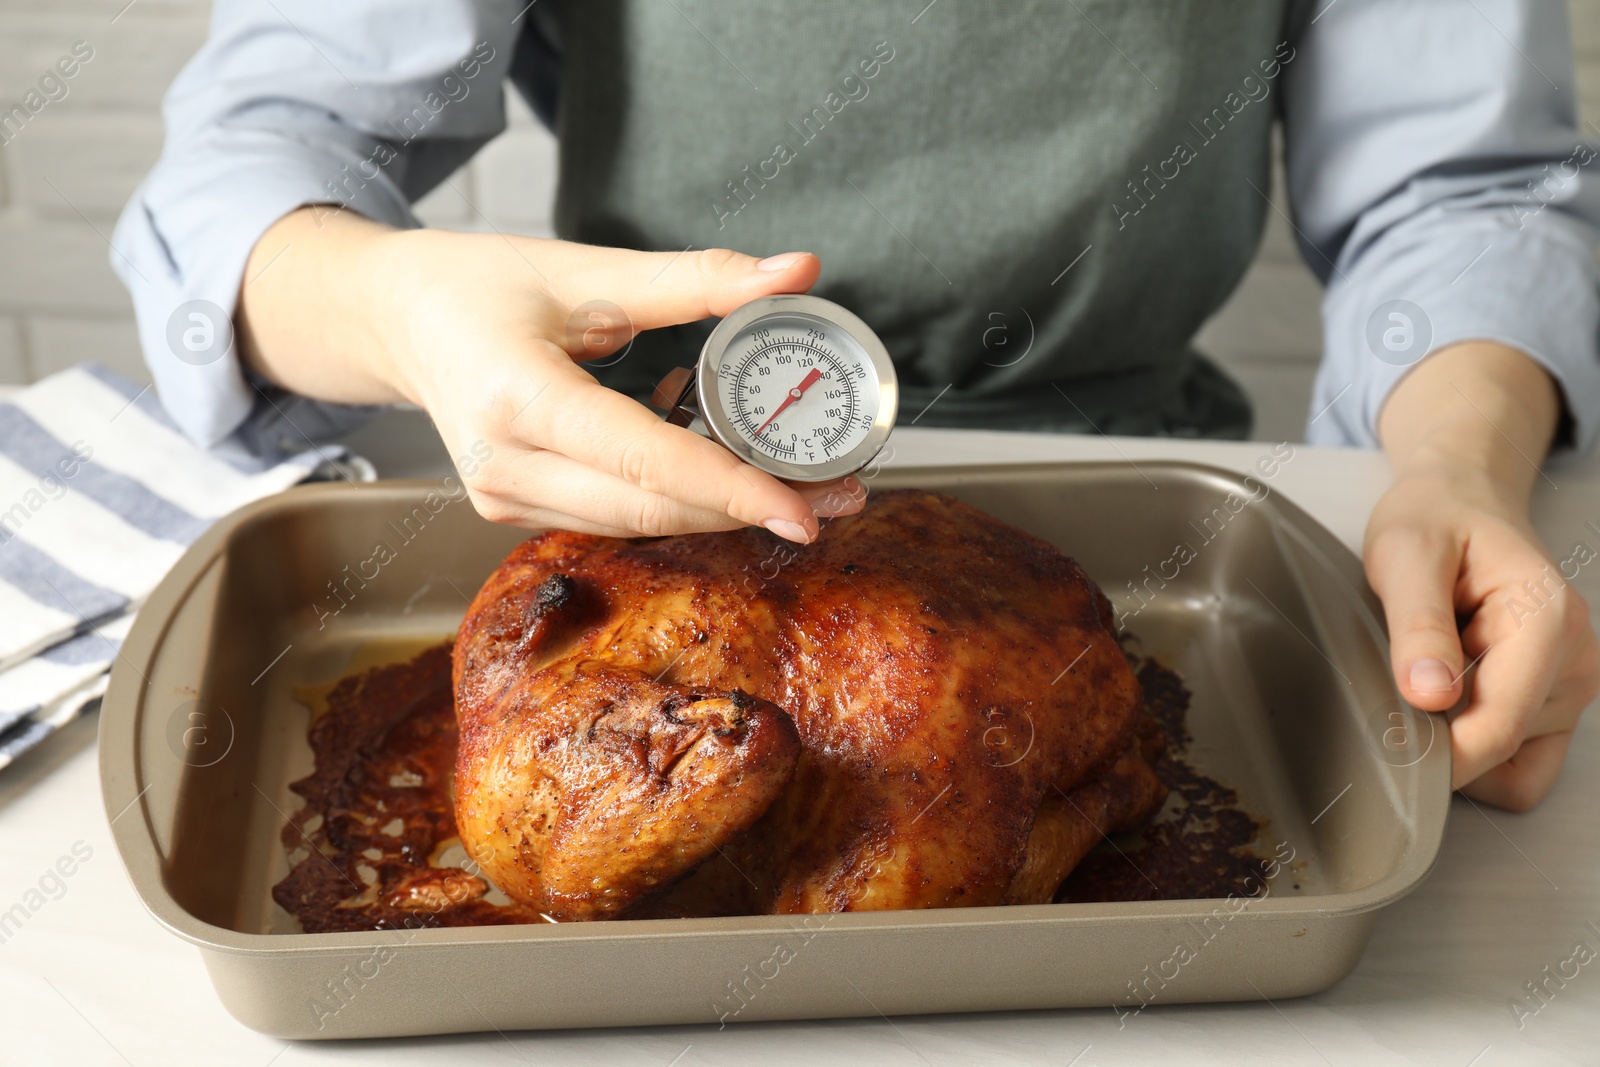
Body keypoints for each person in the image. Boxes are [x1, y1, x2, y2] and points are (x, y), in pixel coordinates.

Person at [114, 0, 1599, 812]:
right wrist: (397, 305)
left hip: (1130, 481)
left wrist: (1459, 464)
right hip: (635, 483)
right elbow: (262, 152)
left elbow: (1458, 188)